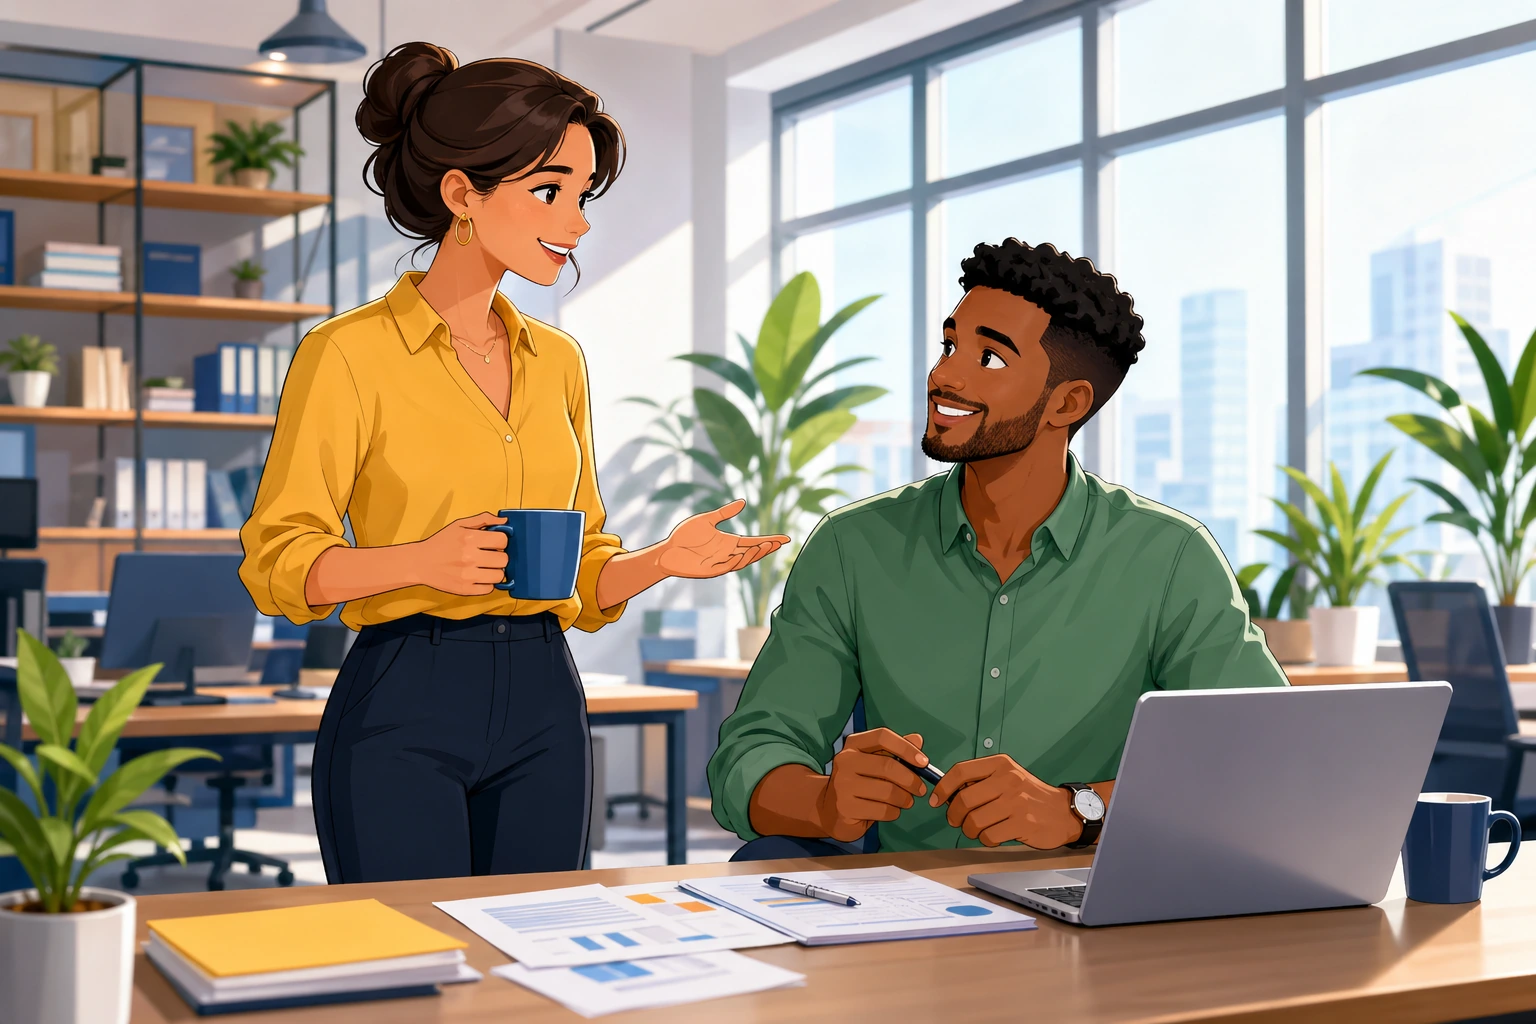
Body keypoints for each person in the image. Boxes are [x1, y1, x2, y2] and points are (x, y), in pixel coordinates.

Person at [239, 42, 787, 884]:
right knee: (413, 966)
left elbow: (583, 568)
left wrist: (661, 563)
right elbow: (278, 561)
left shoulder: (558, 362)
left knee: (539, 951)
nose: (577, 219)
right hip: (403, 694)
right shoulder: (345, 354)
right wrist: (421, 561)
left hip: (544, 698)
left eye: (582, 194)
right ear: (462, 193)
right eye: (549, 191)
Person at [708, 238, 1288, 860]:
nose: (944, 374)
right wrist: (823, 801)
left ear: (1067, 404)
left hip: (1098, 900)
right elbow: (754, 750)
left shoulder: (1169, 558)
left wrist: (1079, 810)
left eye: (989, 358)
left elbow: (1266, 754)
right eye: (950, 345)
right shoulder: (855, 547)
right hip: (906, 904)